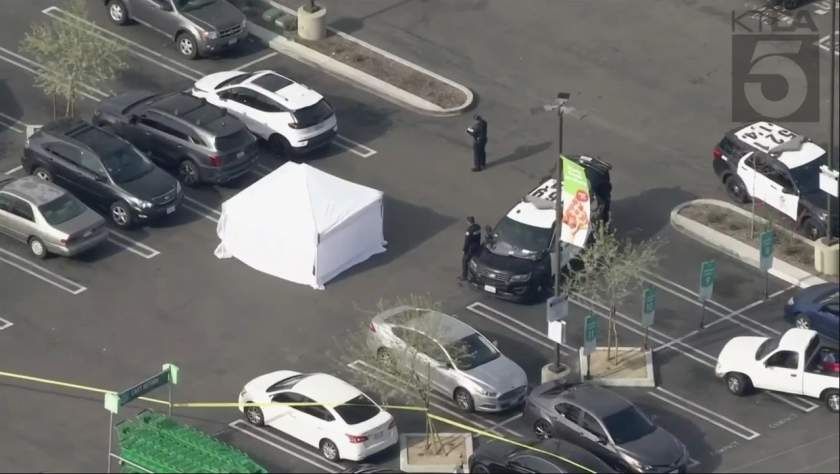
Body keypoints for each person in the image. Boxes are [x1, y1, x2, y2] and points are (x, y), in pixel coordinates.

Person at [459, 216, 482, 280]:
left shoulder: (469, 231)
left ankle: (464, 276)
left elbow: (467, 242)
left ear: (468, 222)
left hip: (470, 248)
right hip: (477, 246)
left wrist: (464, 250)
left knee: (464, 261)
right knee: (473, 261)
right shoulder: (478, 227)